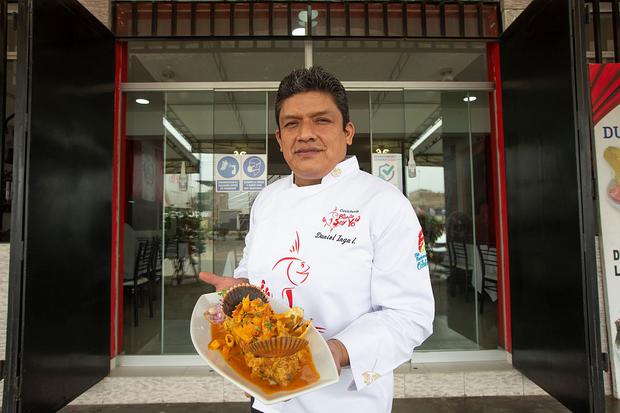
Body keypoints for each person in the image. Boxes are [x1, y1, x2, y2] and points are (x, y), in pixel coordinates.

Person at [199, 66, 434, 413]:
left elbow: (410, 314)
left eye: (321, 120)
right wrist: (240, 291)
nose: (305, 134)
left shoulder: (383, 203)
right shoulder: (267, 198)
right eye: (292, 124)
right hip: (265, 395)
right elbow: (254, 273)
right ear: (279, 138)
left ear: (347, 131)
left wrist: (333, 352)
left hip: (346, 402)